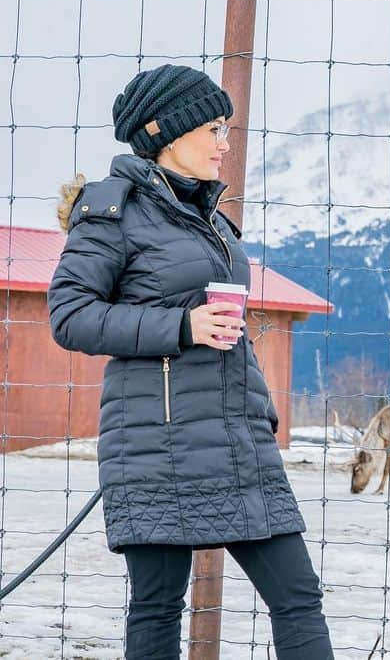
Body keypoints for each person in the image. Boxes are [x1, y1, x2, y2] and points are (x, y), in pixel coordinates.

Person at [47, 64, 334, 659]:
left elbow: (231, 333)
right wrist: (180, 325)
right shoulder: (112, 214)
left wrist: (261, 413)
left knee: (299, 595)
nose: (226, 146)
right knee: (157, 606)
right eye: (214, 130)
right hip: (157, 443)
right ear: (167, 133)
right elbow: (70, 316)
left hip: (236, 440)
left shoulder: (212, 219)